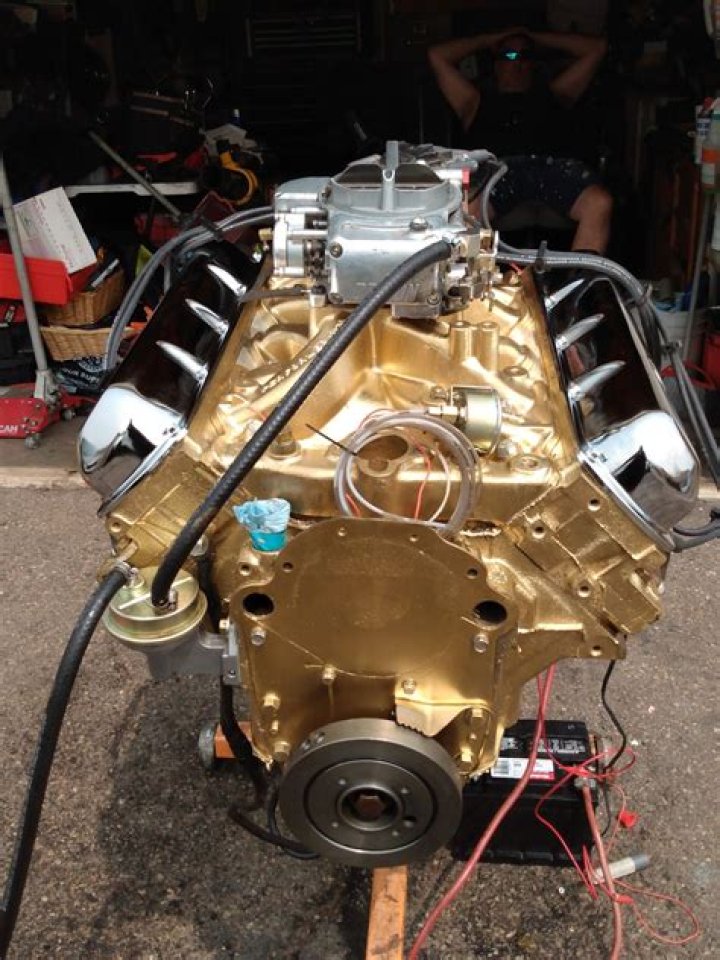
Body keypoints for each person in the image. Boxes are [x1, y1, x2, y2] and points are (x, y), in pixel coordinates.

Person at [428, 28, 612, 253]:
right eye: (510, 55)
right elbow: (437, 55)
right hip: (500, 172)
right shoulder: (473, 101)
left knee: (599, 202)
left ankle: (580, 276)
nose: (519, 62)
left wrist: (534, 35)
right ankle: (477, 273)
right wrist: (490, 38)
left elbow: (596, 49)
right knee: (465, 211)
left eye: (526, 55)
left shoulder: (557, 93)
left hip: (552, 169)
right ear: (496, 64)